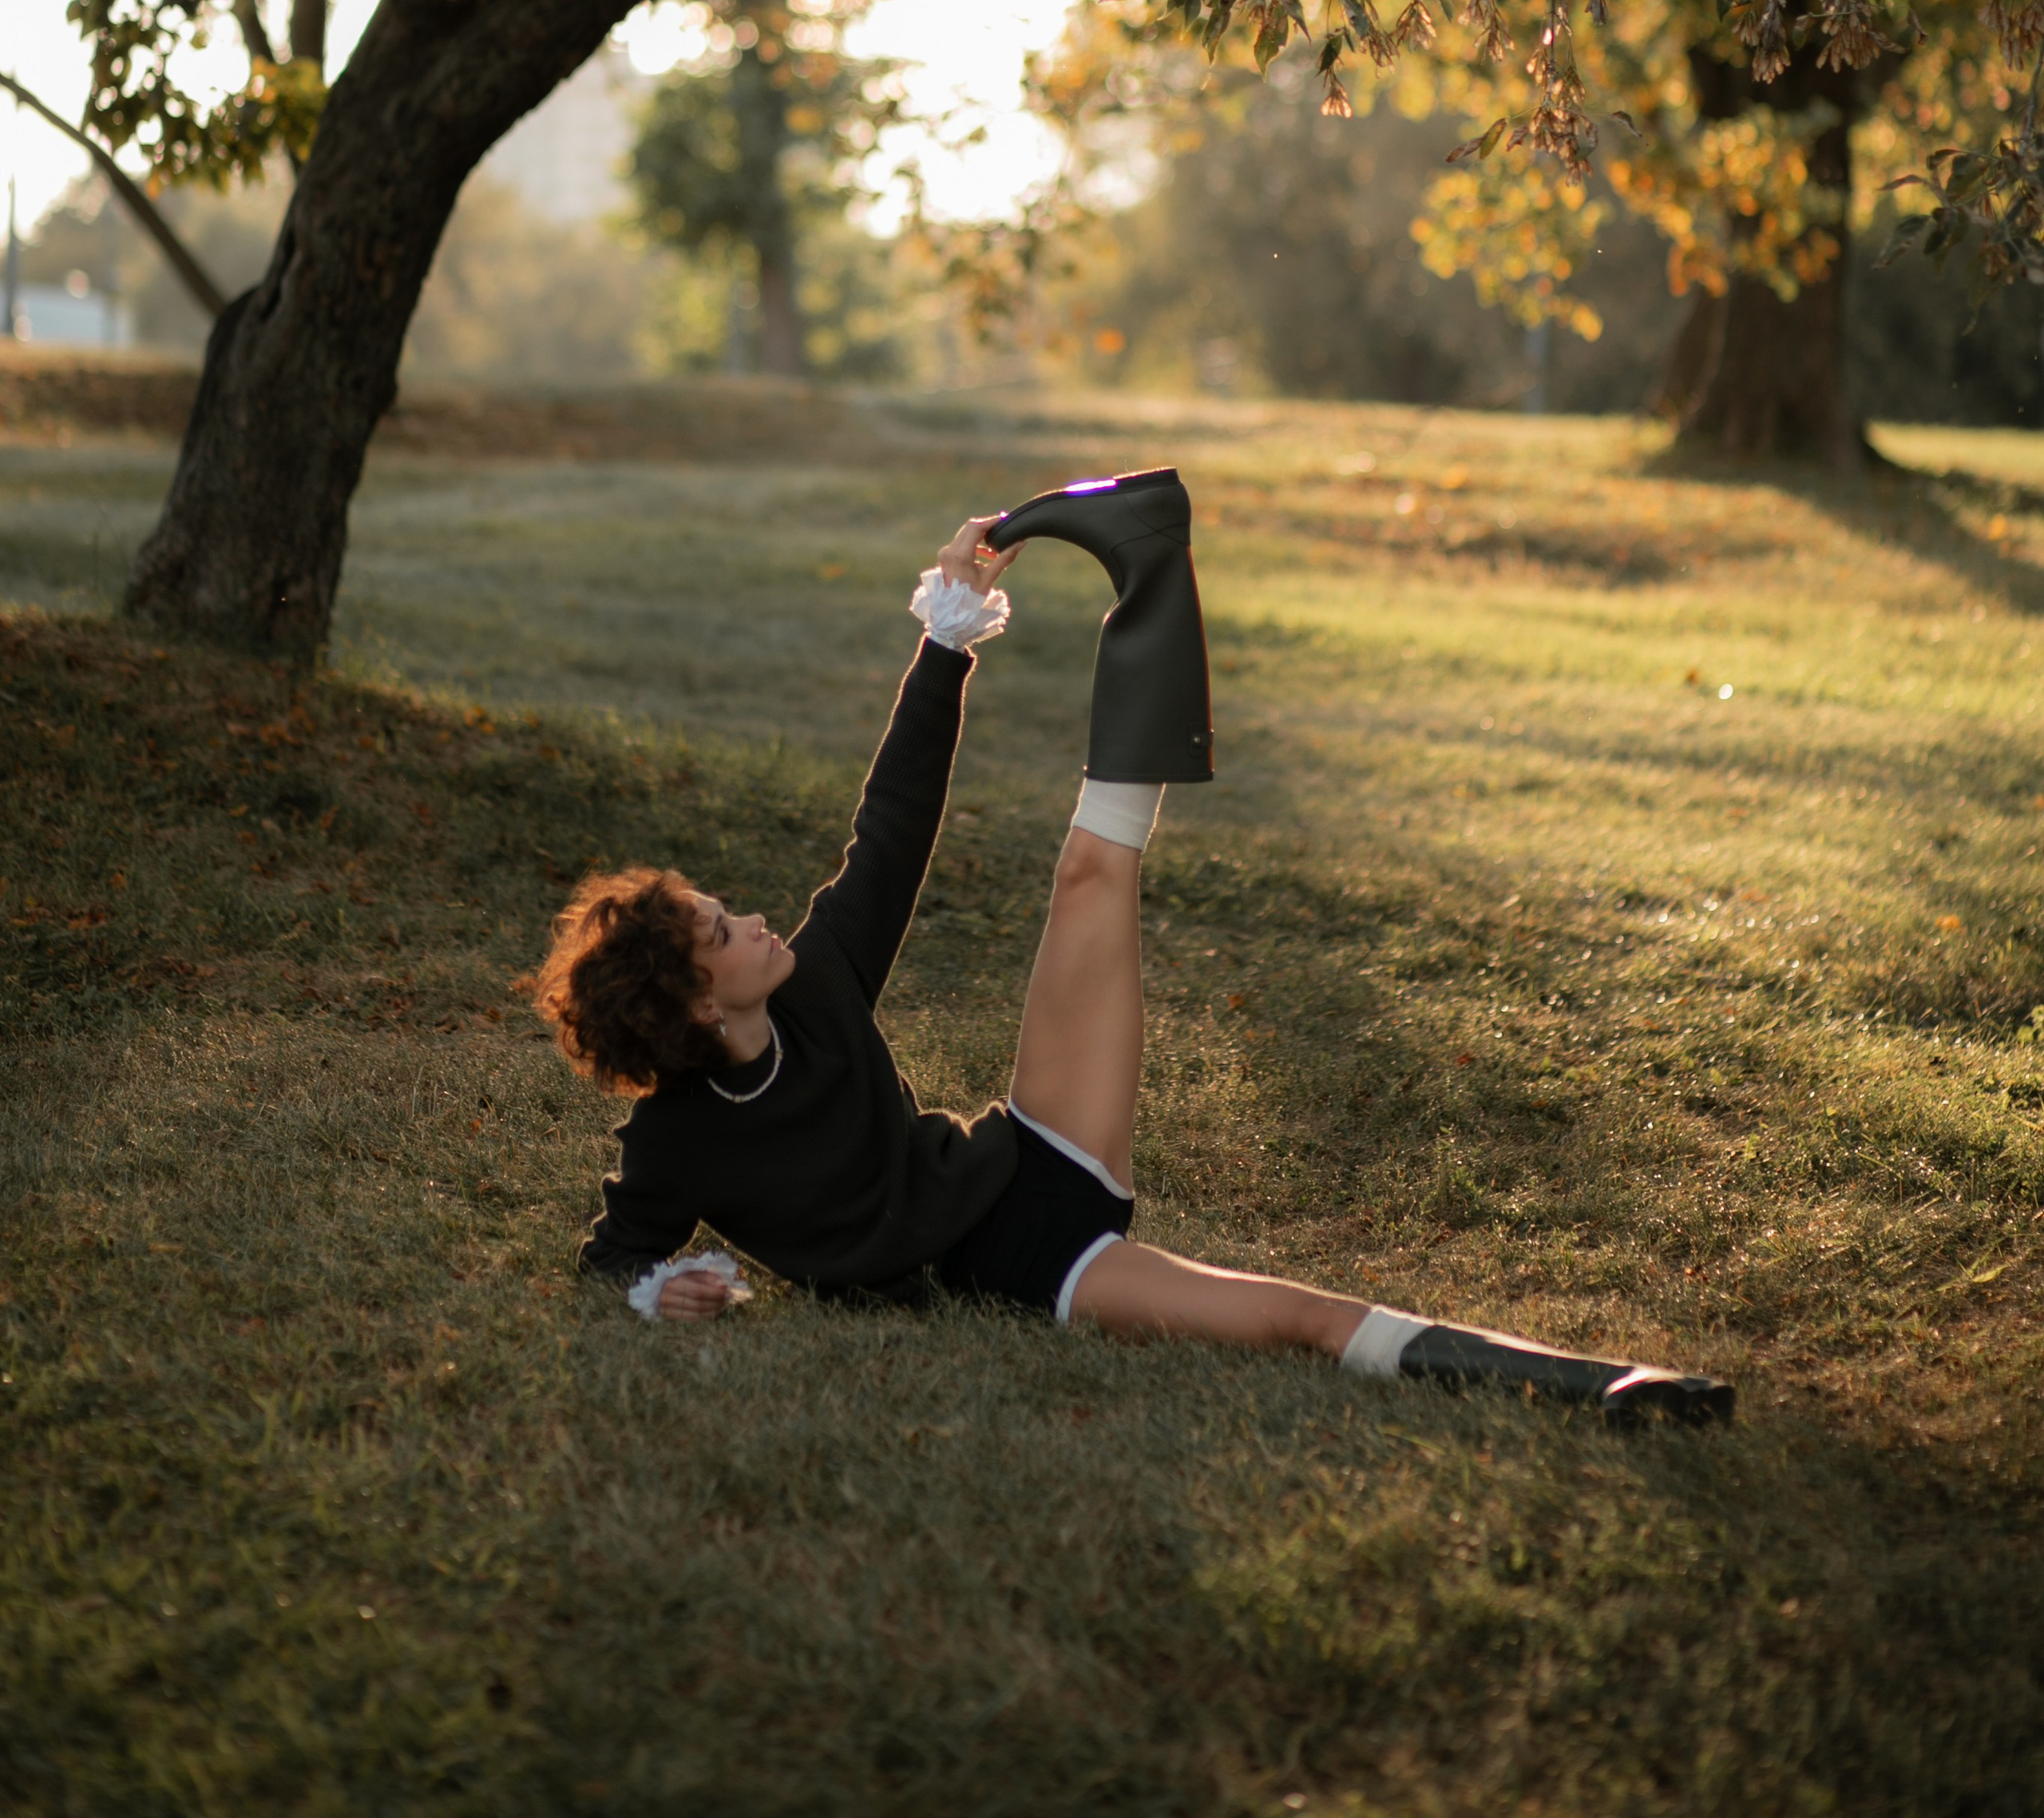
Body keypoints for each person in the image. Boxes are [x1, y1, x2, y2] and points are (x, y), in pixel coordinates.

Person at [537, 497, 1731, 1425]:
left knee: (1091, 876)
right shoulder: (677, 1138)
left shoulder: (821, 978)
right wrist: (662, 1292)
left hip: (1024, 1158)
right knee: (1295, 1322)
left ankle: (1151, 567)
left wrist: (947, 637)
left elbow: (891, 825)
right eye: (719, 928)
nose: (750, 918)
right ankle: (1602, 1385)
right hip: (1025, 1263)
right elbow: (614, 1261)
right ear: (700, 1002)